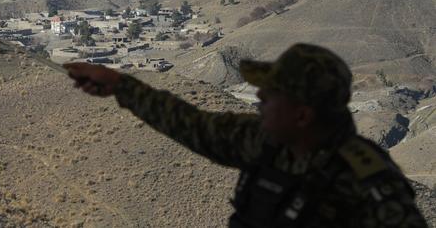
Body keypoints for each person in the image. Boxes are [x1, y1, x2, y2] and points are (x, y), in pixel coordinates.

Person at [64, 43, 428, 227]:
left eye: (271, 95)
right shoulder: (265, 142)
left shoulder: (368, 182)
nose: (259, 99)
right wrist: (119, 85)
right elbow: (190, 124)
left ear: (302, 115)